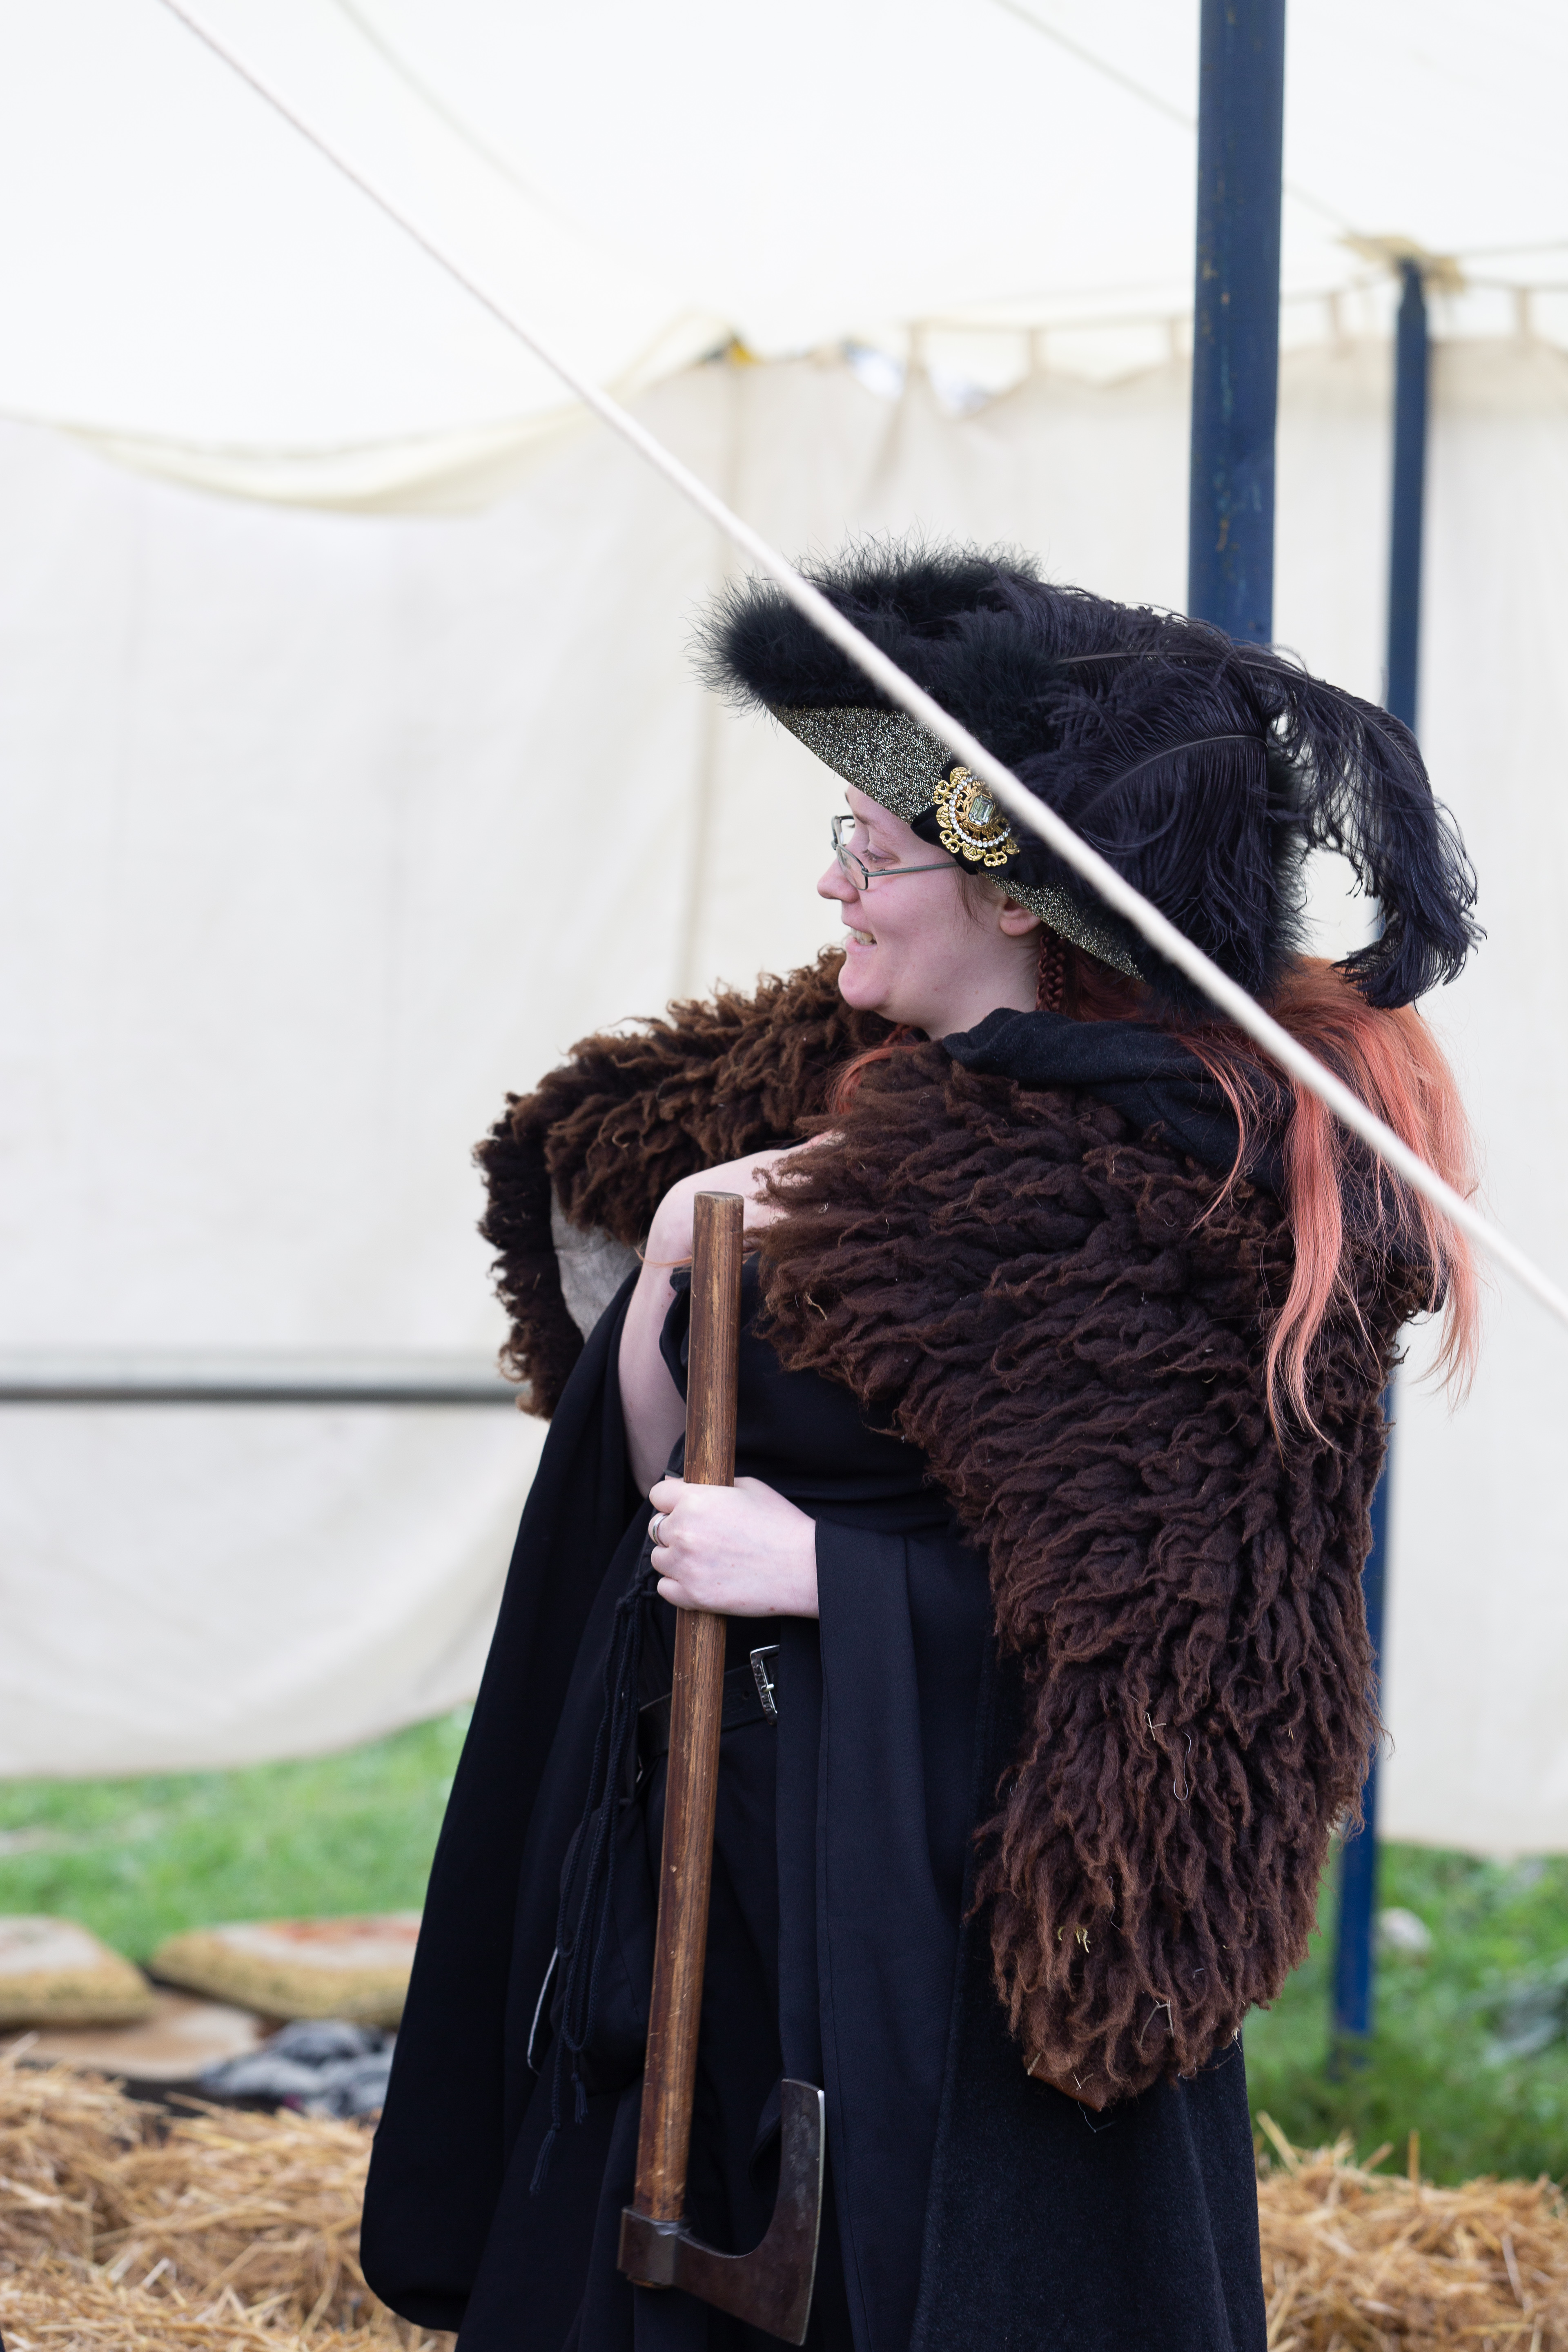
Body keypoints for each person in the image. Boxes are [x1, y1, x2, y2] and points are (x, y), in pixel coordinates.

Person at [361, 546, 1481, 2351]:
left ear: (1013, 896)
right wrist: (681, 1258)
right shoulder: (822, 1104)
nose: (834, 882)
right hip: (726, 1875)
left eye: (873, 853)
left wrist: (830, 1575)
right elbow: (651, 1471)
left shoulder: (1181, 1192)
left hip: (953, 1955)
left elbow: (1212, 1645)